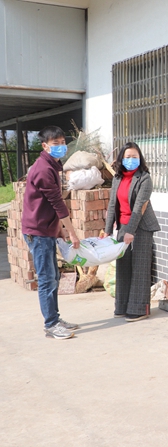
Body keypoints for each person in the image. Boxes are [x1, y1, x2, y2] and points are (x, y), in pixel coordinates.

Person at [22, 125, 81, 340]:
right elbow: (57, 203)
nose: (61, 147)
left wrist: (59, 230)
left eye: (63, 142)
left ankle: (55, 318)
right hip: (38, 232)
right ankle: (51, 325)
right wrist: (72, 233)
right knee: (47, 279)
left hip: (46, 230)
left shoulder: (52, 165)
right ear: (45, 146)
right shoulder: (44, 170)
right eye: (56, 144)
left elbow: (50, 205)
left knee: (53, 276)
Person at [104, 142, 160, 322]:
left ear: (140, 158)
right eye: (127, 157)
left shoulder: (145, 178)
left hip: (142, 227)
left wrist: (131, 231)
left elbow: (140, 207)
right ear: (121, 159)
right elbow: (112, 205)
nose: (131, 160)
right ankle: (122, 306)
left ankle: (139, 308)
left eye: (134, 157)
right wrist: (107, 230)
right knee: (123, 266)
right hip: (122, 226)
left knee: (140, 267)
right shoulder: (117, 178)